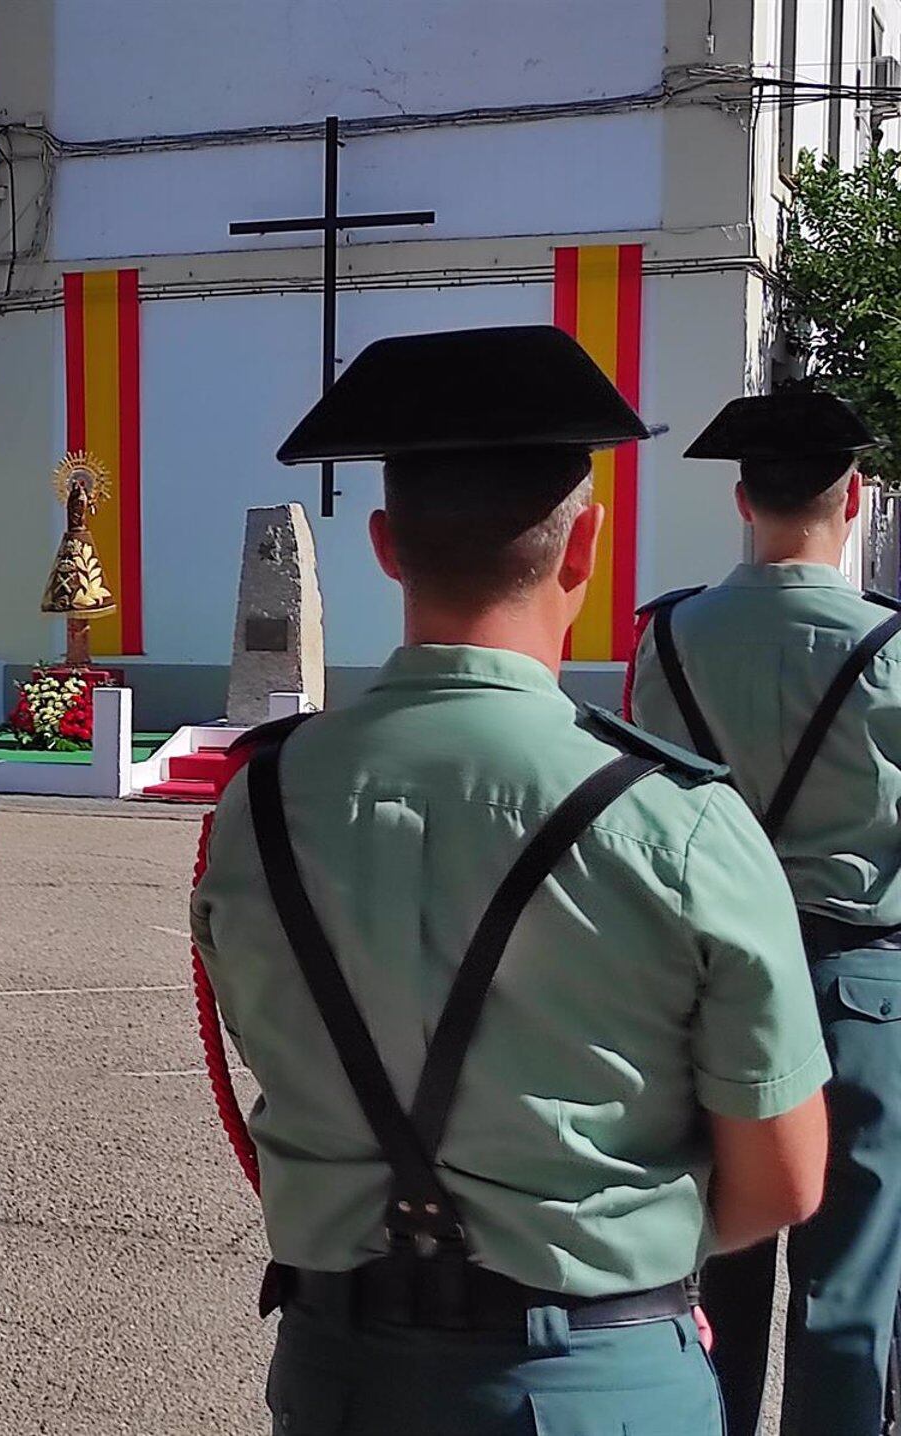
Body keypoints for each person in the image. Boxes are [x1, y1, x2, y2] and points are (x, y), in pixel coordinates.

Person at [191, 327, 831, 1436]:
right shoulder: (678, 819)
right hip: (594, 1374)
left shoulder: (260, 803)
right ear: (584, 548)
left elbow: (275, 1051)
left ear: (386, 546)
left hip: (339, 1372)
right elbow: (782, 1179)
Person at [628, 391, 899, 1436]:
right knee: (851, 1295)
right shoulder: (891, 643)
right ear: (856, 495)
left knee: (717, 1278)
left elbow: (647, 809)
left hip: (713, 980)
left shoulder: (673, 635)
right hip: (864, 985)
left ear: (742, 497)